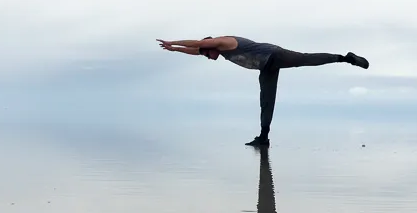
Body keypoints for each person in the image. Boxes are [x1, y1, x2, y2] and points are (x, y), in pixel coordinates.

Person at [157, 35, 369, 147]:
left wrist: (173, 41)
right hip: (266, 67)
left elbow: (197, 44)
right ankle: (263, 138)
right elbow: (197, 50)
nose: (207, 57)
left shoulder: (225, 42)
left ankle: (345, 58)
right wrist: (175, 50)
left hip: (274, 55)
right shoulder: (216, 51)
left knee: (304, 59)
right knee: (266, 100)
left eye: (207, 54)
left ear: (210, 45)